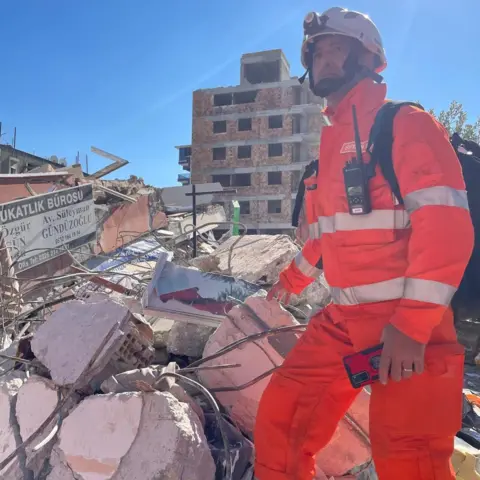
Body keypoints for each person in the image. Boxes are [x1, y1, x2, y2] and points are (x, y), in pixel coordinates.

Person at [254, 7, 474, 480]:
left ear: (369, 57)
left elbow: (448, 229)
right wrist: (290, 282)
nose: (325, 60)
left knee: (408, 460)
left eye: (338, 48)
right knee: (281, 418)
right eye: (318, 52)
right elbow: (325, 236)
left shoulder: (405, 124)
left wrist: (412, 328)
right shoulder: (329, 147)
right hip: (343, 320)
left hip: (409, 323)